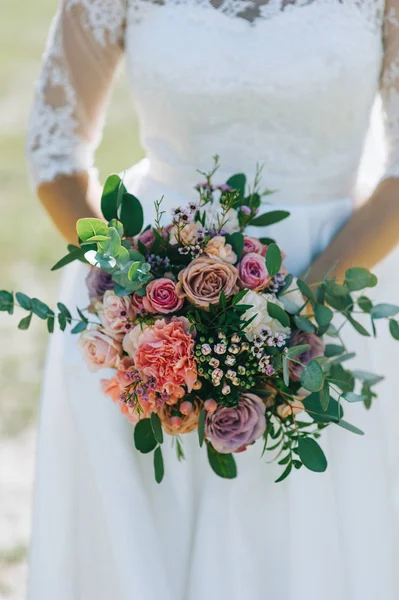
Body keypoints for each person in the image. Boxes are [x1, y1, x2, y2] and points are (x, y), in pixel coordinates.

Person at [26, 0, 399, 598]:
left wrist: (295, 311)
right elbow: (54, 157)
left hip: (335, 290)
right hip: (149, 303)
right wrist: (132, 284)